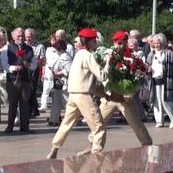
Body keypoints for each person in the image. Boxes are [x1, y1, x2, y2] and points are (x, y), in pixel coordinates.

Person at [47, 28, 123, 159]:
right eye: (94, 40)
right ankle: (96, 154)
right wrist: (109, 62)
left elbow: (89, 82)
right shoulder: (88, 55)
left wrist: (105, 95)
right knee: (98, 126)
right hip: (83, 95)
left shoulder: (78, 54)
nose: (96, 42)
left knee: (66, 123)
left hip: (73, 95)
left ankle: (54, 148)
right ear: (88, 41)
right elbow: (102, 76)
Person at [93, 31, 152, 145]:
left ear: (126, 42)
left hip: (125, 99)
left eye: (122, 43)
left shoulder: (131, 57)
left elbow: (138, 73)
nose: (120, 45)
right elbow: (97, 60)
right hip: (109, 97)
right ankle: (92, 146)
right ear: (114, 42)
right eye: (117, 43)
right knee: (98, 124)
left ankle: (148, 145)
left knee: (136, 125)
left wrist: (136, 77)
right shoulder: (108, 53)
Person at [4, 27, 36, 133]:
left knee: (25, 104)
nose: (21, 38)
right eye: (18, 36)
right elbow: (5, 65)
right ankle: (10, 126)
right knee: (12, 104)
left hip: (25, 79)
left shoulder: (29, 48)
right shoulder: (8, 48)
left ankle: (25, 126)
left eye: (22, 36)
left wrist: (29, 65)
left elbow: (34, 64)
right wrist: (13, 68)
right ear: (13, 36)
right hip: (13, 80)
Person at [148, 33, 173, 128]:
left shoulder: (169, 53)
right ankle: (159, 121)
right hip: (154, 80)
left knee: (165, 101)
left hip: (167, 80)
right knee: (156, 101)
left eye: (159, 43)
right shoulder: (151, 54)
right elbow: (147, 65)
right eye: (155, 43)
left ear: (163, 43)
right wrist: (148, 69)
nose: (157, 45)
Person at [47, 39, 72, 126]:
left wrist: (59, 72)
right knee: (56, 101)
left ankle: (69, 119)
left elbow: (69, 70)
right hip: (58, 81)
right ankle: (54, 119)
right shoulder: (61, 55)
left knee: (66, 102)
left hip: (63, 82)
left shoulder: (65, 56)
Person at [25, 28, 45, 117]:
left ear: (34, 36)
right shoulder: (24, 45)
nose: (28, 39)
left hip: (35, 70)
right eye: (26, 37)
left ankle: (32, 110)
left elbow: (43, 60)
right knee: (28, 90)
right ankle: (34, 109)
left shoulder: (40, 46)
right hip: (26, 70)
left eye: (29, 37)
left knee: (32, 90)